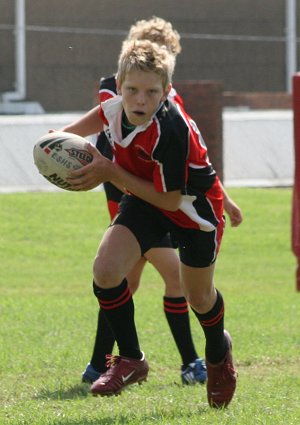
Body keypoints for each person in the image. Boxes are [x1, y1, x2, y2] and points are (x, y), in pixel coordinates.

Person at [57, 39, 237, 408]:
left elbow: (170, 200)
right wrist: (50, 150)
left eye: (151, 92)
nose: (139, 100)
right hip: (143, 198)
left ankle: (218, 352)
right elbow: (67, 134)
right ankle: (132, 358)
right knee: (106, 270)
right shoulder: (112, 108)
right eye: (132, 90)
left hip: (192, 209)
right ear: (118, 86)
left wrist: (108, 170)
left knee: (198, 298)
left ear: (166, 91)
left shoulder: (171, 129)